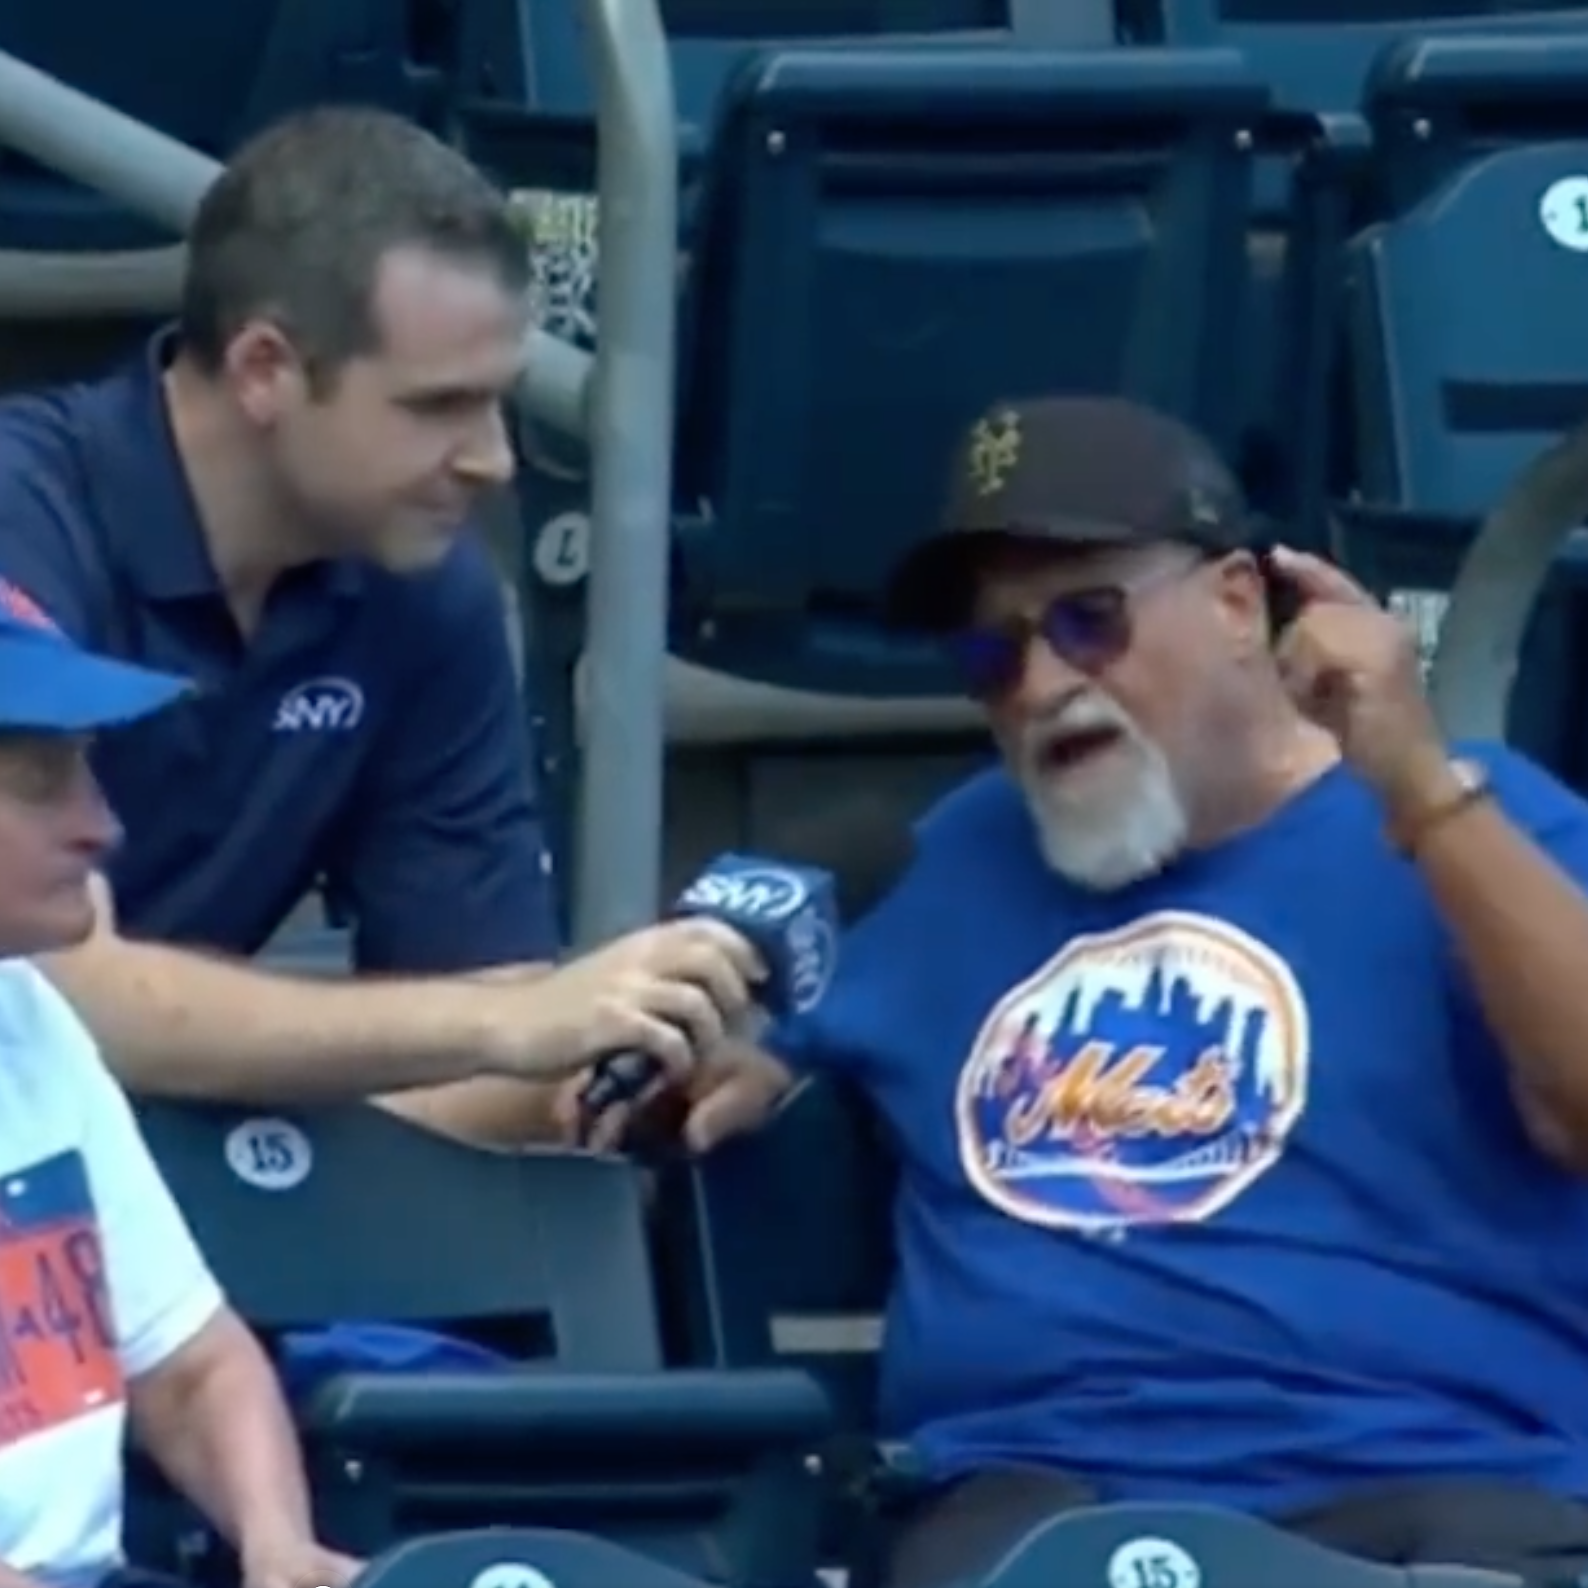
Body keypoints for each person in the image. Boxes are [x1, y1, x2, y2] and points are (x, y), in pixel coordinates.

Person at [607, 396, 1588, 1586]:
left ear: (1237, 603)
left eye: (1089, 619)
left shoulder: (1484, 820)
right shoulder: (958, 856)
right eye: (991, 653)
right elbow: (767, 1035)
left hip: (1423, 1485)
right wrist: (750, 1056)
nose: (1038, 682)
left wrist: (1418, 787)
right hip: (1035, 1505)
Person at [0, 107, 757, 1146]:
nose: (492, 458)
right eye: (437, 406)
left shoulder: (423, 589)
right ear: (266, 370)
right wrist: (504, 1025)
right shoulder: (22, 515)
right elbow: (41, 983)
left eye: (497, 403)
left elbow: (488, 1039)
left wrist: (619, 1067)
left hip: (145, 1188)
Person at [0, 605, 362, 1588]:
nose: (103, 825)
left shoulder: (26, 1011)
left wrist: (278, 1544)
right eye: (43, 780)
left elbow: (194, 1369)